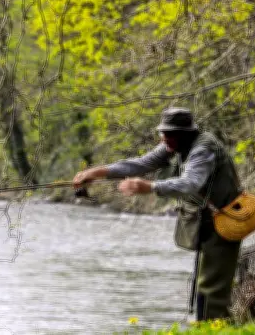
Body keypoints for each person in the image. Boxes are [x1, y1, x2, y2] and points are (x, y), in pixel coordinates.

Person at [72, 107, 243, 322]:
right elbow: (141, 164)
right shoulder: (175, 143)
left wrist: (150, 187)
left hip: (227, 220)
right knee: (204, 284)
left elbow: (190, 183)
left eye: (169, 134)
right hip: (208, 221)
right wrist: (97, 172)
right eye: (163, 133)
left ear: (185, 134)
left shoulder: (203, 149)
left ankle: (215, 327)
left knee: (212, 287)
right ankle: (207, 326)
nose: (164, 138)